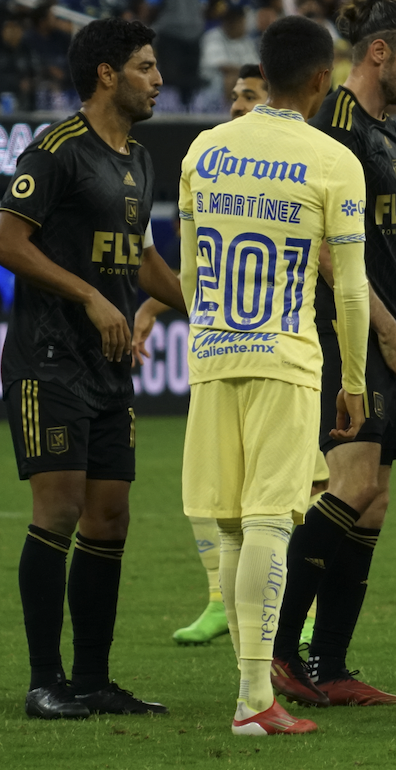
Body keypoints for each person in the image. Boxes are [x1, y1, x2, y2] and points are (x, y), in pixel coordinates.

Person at [177, 15, 371, 737]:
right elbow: (350, 289)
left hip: (213, 353)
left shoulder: (206, 149)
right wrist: (355, 382)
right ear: (323, 78)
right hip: (284, 356)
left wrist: (209, 334)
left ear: (263, 71)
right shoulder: (332, 160)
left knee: (231, 526)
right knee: (266, 520)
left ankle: (251, 692)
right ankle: (254, 699)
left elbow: (191, 271)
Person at [0, 18, 187, 719]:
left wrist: (210, 309)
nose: (158, 79)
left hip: (108, 369)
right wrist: (91, 297)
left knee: (110, 517)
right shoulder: (56, 151)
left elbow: (142, 257)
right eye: (146, 67)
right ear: (107, 75)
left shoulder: (140, 160)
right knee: (61, 509)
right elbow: (6, 243)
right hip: (49, 361)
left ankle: (94, 680)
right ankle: (45, 682)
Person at [270, 0, 396, 709]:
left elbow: (379, 246)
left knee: (371, 502)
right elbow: (322, 246)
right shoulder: (335, 126)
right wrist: (384, 326)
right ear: (378, 53)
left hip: (392, 329)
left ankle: (332, 665)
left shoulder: (385, 129)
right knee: (348, 485)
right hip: (349, 332)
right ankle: (279, 651)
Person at [164, 57, 277, 649]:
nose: (236, 104)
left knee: (287, 496)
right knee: (211, 493)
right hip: (222, 349)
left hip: (284, 352)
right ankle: (218, 599)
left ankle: (301, 613)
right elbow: (199, 264)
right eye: (235, 94)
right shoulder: (209, 161)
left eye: (250, 94)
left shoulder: (297, 165)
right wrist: (156, 306)